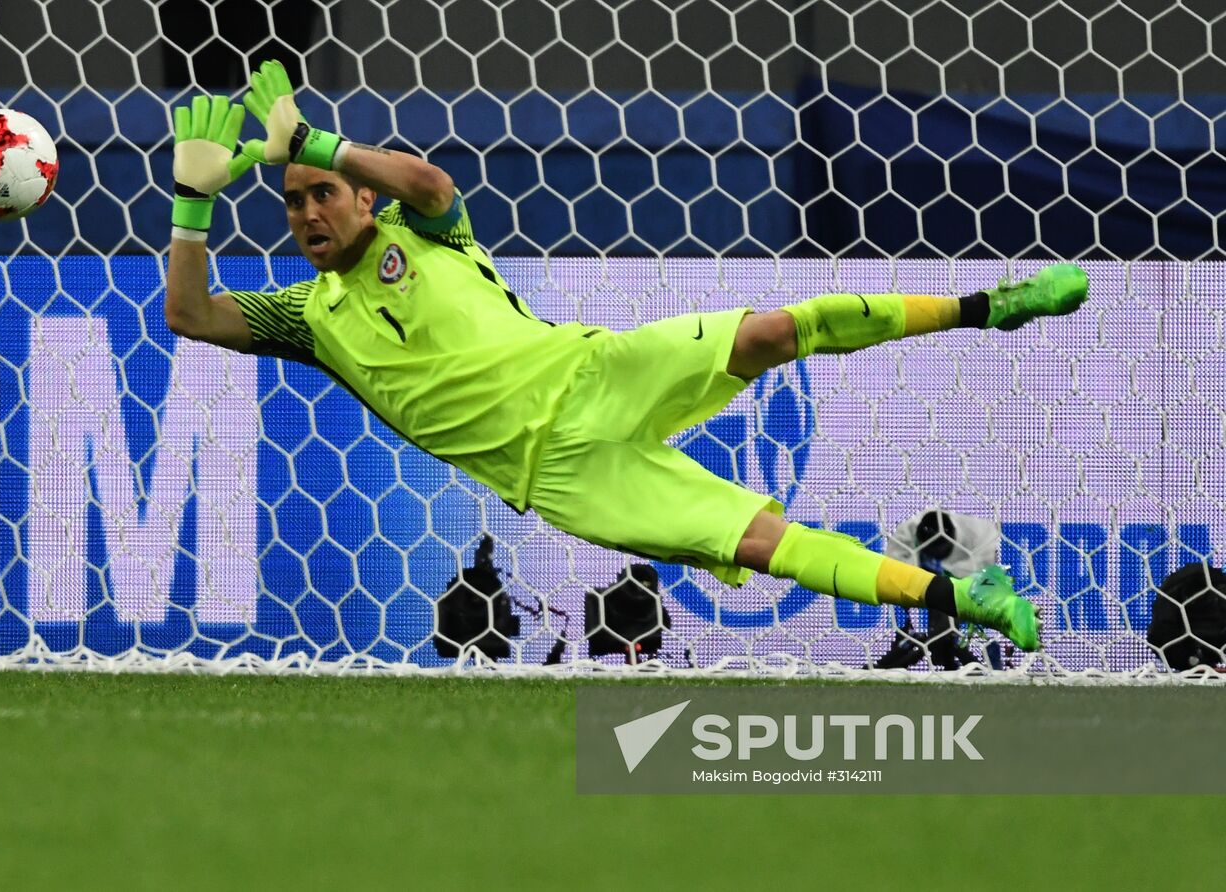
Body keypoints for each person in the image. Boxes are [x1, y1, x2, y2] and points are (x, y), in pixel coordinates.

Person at [163, 61, 1088, 654]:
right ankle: (967, 597)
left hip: (594, 370)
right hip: (562, 475)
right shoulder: (307, 317)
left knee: (770, 333)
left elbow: (433, 180)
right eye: (293, 202)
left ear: (362, 198)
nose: (308, 213)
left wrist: (310, 141)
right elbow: (191, 315)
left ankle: (987, 307)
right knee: (759, 544)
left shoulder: (425, 230)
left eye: (322, 193)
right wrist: (192, 205)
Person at [873, 509, 1004, 670]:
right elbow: (893, 581)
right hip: (922, 582)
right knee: (926, 627)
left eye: (940, 552)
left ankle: (963, 654)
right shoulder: (904, 537)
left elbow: (981, 581)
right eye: (930, 553)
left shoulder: (978, 536)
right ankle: (907, 646)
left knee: (950, 628)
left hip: (963, 585)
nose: (935, 557)